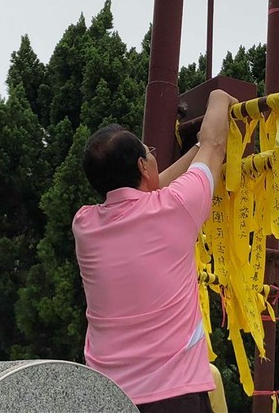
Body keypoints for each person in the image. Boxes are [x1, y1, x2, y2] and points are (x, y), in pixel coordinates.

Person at [73, 89, 238, 412]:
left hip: (107, 397)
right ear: (141, 165)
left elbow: (154, 187)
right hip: (174, 395)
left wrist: (199, 150)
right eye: (148, 151)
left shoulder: (85, 225)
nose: (153, 153)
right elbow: (215, 145)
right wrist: (221, 98)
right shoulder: (174, 207)